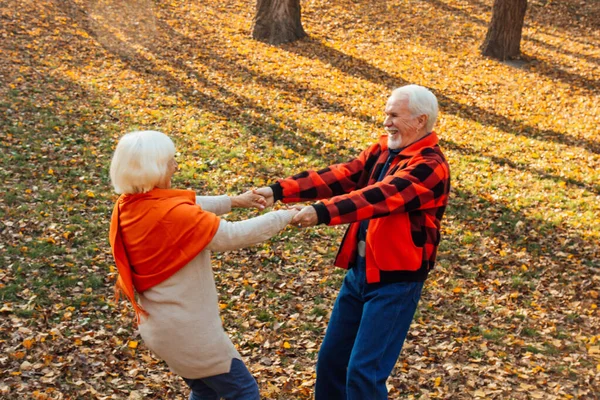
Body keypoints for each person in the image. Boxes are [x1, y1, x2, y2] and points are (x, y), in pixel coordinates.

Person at [254, 84, 451, 399]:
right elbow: (343, 175)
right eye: (386, 113)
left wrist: (320, 213)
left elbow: (378, 197)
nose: (386, 121)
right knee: (332, 362)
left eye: (394, 115)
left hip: (395, 282)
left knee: (364, 374)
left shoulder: (430, 166)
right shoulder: (384, 150)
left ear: (419, 120)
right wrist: (279, 191)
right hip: (360, 272)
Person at [108, 130, 298, 400]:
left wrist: (234, 201)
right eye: (171, 160)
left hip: (162, 327)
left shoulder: (129, 205)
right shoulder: (170, 215)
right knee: (243, 391)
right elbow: (232, 235)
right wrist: (284, 217)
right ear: (154, 167)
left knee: (205, 390)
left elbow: (183, 204)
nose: (176, 165)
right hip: (188, 330)